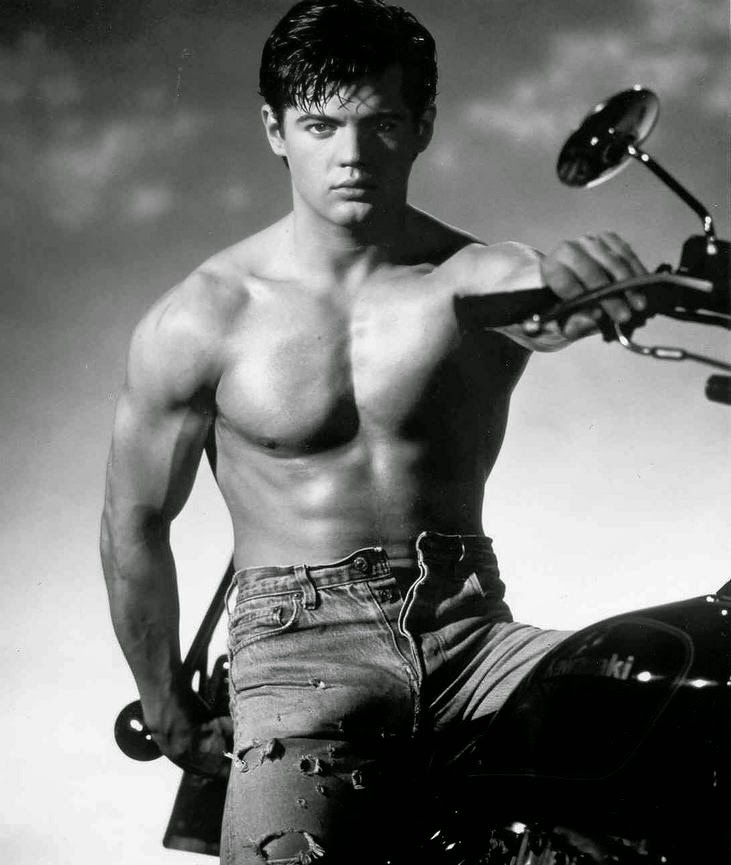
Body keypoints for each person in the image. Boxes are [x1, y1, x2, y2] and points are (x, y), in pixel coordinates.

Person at [100, 1, 649, 861]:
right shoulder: (201, 318)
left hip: (473, 636)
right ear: (275, 130)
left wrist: (586, 288)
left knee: (664, 719)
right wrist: (166, 704)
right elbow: (132, 520)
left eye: (381, 123)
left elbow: (542, 296)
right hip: (297, 658)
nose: (351, 155)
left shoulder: (470, 276)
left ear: (421, 126)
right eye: (321, 126)